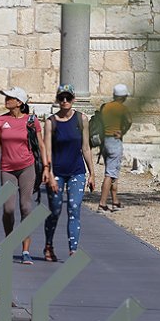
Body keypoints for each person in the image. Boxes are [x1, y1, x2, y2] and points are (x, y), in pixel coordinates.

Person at [0, 87, 50, 265]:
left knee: (25, 207)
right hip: (7, 169)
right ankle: (9, 242)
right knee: (8, 209)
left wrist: (46, 168)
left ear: (20, 102)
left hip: (27, 167)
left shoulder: (31, 121)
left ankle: (25, 250)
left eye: (10, 97)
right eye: (6, 97)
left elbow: (40, 145)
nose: (6, 99)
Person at [42, 84, 96, 261]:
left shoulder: (82, 119)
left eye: (68, 98)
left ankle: (73, 249)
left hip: (76, 171)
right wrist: (48, 173)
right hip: (57, 171)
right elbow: (47, 150)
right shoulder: (51, 122)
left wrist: (92, 173)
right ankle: (49, 244)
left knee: (74, 207)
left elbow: (86, 147)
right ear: (57, 100)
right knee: (55, 210)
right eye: (61, 98)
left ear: (73, 99)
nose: (64, 101)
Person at [98, 84, 132, 212]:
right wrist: (122, 131)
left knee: (113, 171)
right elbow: (129, 121)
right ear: (123, 97)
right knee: (110, 174)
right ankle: (102, 203)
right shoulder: (122, 109)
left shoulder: (106, 107)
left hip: (104, 142)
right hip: (115, 141)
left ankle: (115, 201)